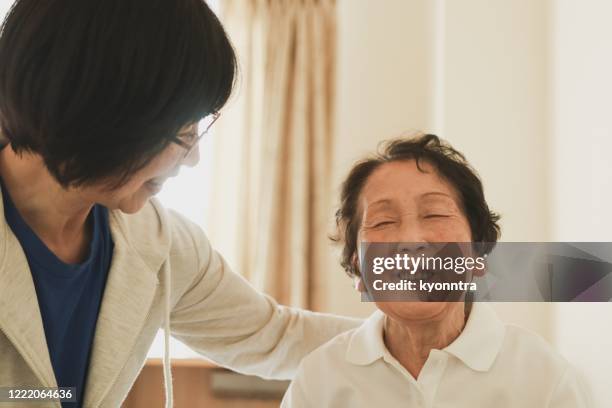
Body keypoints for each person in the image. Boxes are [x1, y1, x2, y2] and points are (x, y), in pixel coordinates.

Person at [0, 1, 360, 407]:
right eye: (183, 133)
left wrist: (422, 335)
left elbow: (274, 335)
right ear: (103, 111)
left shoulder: (161, 244)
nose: (193, 158)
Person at [281, 134, 591, 407]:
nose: (412, 241)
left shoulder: (544, 378)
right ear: (358, 269)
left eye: (435, 214)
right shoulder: (319, 381)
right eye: (384, 222)